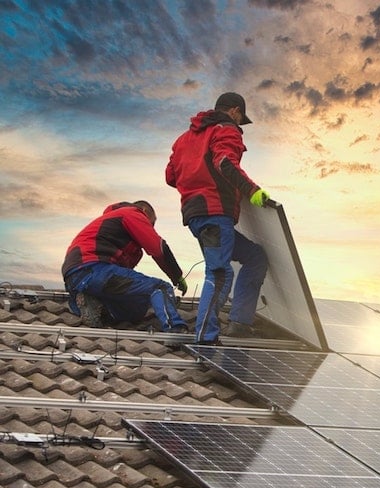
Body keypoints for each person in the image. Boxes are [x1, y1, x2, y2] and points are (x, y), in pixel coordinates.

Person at [166, 92, 269, 344]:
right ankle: (205, 336)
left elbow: (170, 176)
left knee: (255, 257)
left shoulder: (184, 138)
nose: (239, 123)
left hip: (195, 216)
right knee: (220, 273)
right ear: (235, 111)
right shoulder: (227, 129)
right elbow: (224, 161)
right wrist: (252, 191)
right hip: (214, 212)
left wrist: (195, 175)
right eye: (240, 117)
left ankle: (240, 322)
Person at [62, 200, 189, 333]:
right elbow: (158, 249)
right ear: (145, 211)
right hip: (94, 268)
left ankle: (98, 306)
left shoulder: (112, 225)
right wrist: (177, 276)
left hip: (75, 277)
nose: (152, 227)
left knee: (135, 310)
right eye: (152, 222)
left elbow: (123, 283)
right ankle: (175, 329)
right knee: (160, 287)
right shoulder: (132, 213)